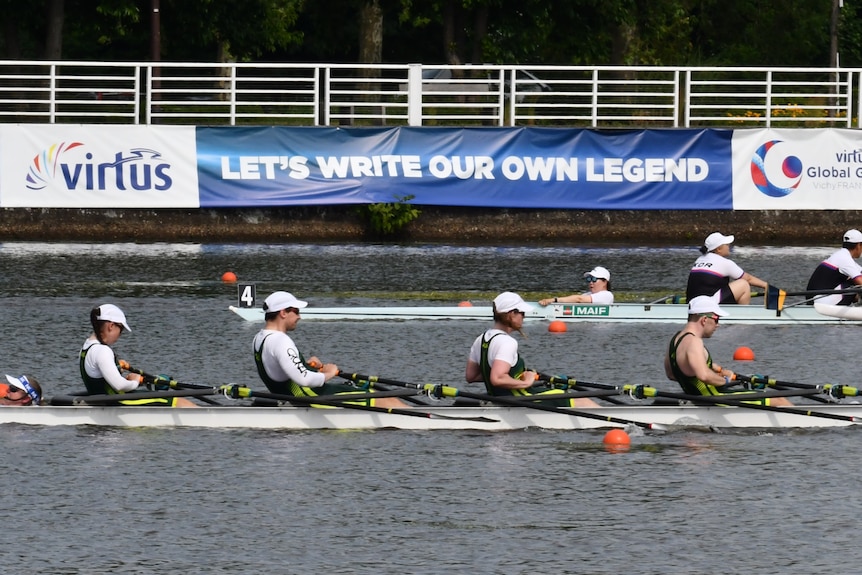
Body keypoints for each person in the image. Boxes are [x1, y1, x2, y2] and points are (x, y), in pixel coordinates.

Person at [253, 290, 410, 408]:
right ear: (283, 313)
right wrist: (329, 373)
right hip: (310, 396)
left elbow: (280, 370)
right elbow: (304, 380)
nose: (299, 317)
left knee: (375, 394)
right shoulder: (281, 340)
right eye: (296, 311)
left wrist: (307, 366)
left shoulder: (259, 338)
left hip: (298, 395)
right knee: (386, 399)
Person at [466, 291, 600, 408]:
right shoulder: (507, 342)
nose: (524, 317)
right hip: (519, 400)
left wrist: (516, 376)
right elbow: (497, 378)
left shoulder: (481, 339)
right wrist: (526, 381)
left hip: (501, 397)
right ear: (512, 314)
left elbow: (471, 376)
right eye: (522, 313)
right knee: (580, 399)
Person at [664, 296, 792, 406]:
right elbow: (704, 376)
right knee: (779, 400)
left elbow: (672, 374)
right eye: (716, 319)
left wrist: (715, 371)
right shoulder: (694, 342)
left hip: (700, 397)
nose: (718, 325)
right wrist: (726, 380)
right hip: (715, 399)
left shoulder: (675, 340)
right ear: (704, 320)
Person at [79, 303, 197, 407]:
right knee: (179, 402)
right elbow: (120, 386)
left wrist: (117, 367)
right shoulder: (102, 351)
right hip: (119, 402)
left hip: (107, 400)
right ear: (111, 326)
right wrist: (135, 381)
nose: (119, 336)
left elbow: (100, 377)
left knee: (161, 396)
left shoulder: (87, 347)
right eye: (121, 330)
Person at [685, 232, 768, 305]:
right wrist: (767, 286)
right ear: (718, 249)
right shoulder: (725, 263)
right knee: (743, 284)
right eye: (727, 245)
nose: (729, 246)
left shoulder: (699, 259)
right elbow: (748, 278)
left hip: (692, 302)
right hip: (709, 304)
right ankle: (742, 315)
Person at [805, 229, 862, 306]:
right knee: (854, 285)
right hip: (819, 302)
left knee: (854, 282)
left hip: (816, 298)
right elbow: (860, 281)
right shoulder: (845, 259)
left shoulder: (840, 255)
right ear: (859, 245)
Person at [539, 266, 614, 305]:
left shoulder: (607, 295)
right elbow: (574, 300)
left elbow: (578, 299)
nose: (591, 282)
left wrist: (553, 300)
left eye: (594, 279)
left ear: (604, 282)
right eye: (589, 279)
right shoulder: (587, 295)